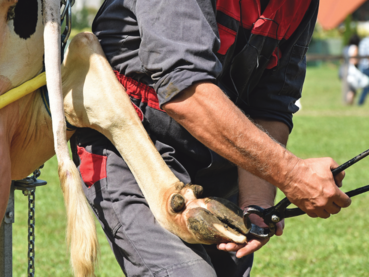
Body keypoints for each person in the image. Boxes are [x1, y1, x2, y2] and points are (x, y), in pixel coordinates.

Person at [70, 0, 351, 276]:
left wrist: (256, 202)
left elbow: (271, 103)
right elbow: (184, 91)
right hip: (131, 142)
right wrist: (292, 175)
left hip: (223, 147)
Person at [358, 35, 369, 105]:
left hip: (362, 66)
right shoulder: (367, 42)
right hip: (366, 67)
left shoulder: (364, 40)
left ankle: (360, 102)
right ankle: (360, 102)